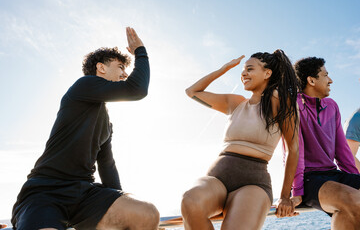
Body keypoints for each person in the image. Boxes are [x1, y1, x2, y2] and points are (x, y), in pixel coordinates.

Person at [11, 27, 159, 230]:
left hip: (84, 193)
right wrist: (140, 51)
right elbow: (137, 89)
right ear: (101, 68)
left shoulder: (106, 123)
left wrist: (117, 199)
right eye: (120, 67)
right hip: (45, 192)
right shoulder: (83, 86)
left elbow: (107, 166)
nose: (125, 74)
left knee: (146, 214)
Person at [181, 50, 299, 230]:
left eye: (250, 69)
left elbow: (293, 148)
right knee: (190, 201)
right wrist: (224, 68)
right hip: (217, 177)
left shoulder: (280, 100)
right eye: (243, 70)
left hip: (254, 183)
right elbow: (192, 92)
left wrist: (284, 195)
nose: (244, 73)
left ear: (267, 73)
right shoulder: (235, 103)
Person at [291, 57, 360, 230]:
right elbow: (293, 152)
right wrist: (296, 192)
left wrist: (354, 180)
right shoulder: (294, 106)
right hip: (309, 179)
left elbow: (342, 150)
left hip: (332, 174)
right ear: (311, 80)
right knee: (354, 202)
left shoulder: (332, 106)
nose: (330, 80)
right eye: (326, 75)